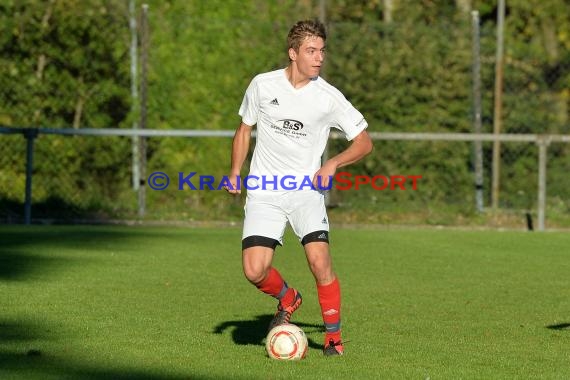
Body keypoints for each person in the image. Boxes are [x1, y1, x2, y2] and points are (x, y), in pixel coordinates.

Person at [225, 19, 373, 356]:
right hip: (264, 189)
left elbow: (364, 143)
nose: (319, 57)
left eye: (322, 51)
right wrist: (235, 171)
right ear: (293, 53)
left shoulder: (329, 97)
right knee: (254, 269)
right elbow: (244, 128)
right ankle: (288, 298)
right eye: (311, 51)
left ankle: (333, 338)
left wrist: (333, 162)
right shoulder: (263, 85)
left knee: (320, 262)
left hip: (306, 191)